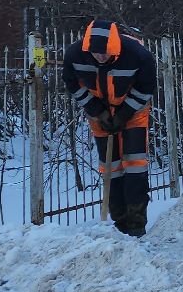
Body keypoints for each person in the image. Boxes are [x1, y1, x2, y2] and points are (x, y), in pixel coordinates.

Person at [60, 19, 155, 236]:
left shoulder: (137, 54)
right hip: (99, 111)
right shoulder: (75, 55)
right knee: (110, 166)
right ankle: (119, 221)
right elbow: (72, 84)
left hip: (134, 111)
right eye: (96, 53)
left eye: (105, 53)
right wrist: (97, 110)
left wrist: (124, 113)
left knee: (135, 164)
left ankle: (136, 223)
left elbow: (146, 87)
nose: (100, 57)